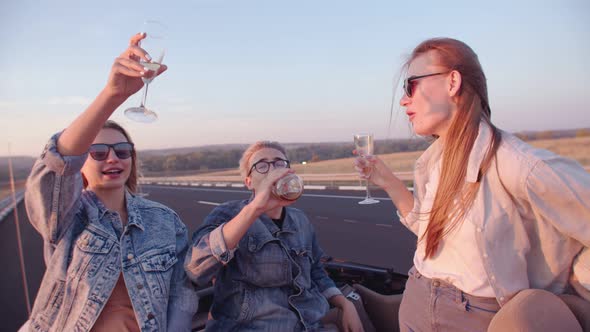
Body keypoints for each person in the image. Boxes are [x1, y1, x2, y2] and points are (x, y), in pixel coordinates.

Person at [354, 37, 590, 331]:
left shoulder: (519, 165)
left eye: (410, 85)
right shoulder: (432, 163)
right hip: (416, 301)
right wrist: (387, 181)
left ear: (452, 82)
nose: (404, 99)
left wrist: (570, 296)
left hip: (473, 317)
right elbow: (431, 235)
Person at [20, 33, 197, 331]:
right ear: (81, 163)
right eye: (98, 152)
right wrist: (112, 95)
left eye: (122, 151)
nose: (112, 159)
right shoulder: (67, 217)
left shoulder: (165, 221)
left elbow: (182, 295)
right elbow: (57, 166)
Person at [185, 141, 364, 331]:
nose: (272, 170)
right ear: (248, 182)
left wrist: (345, 304)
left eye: (279, 163)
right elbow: (195, 269)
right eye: (262, 165)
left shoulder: (300, 220)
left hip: (309, 325)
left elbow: (316, 272)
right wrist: (254, 209)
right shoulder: (228, 215)